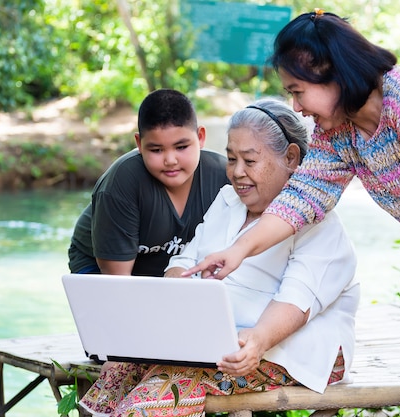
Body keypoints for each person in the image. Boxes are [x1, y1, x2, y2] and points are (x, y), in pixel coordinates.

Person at [184, 10, 400, 417]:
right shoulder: (340, 129)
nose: (296, 107)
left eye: (298, 91)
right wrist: (237, 251)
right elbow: (302, 196)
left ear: (331, 73)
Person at [78, 98, 360, 417]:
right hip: (212, 341)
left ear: (291, 157)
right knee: (115, 376)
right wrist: (174, 290)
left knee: (158, 394)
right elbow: (186, 260)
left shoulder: (320, 227)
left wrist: (255, 341)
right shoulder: (228, 201)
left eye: (250, 161)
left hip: (291, 350)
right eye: (231, 159)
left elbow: (294, 304)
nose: (237, 173)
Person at [67, 88, 230, 275]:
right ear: (139, 144)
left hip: (173, 268)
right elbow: (116, 281)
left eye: (181, 147)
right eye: (156, 150)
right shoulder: (122, 183)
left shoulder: (223, 177)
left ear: (200, 137)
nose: (170, 160)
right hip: (100, 267)